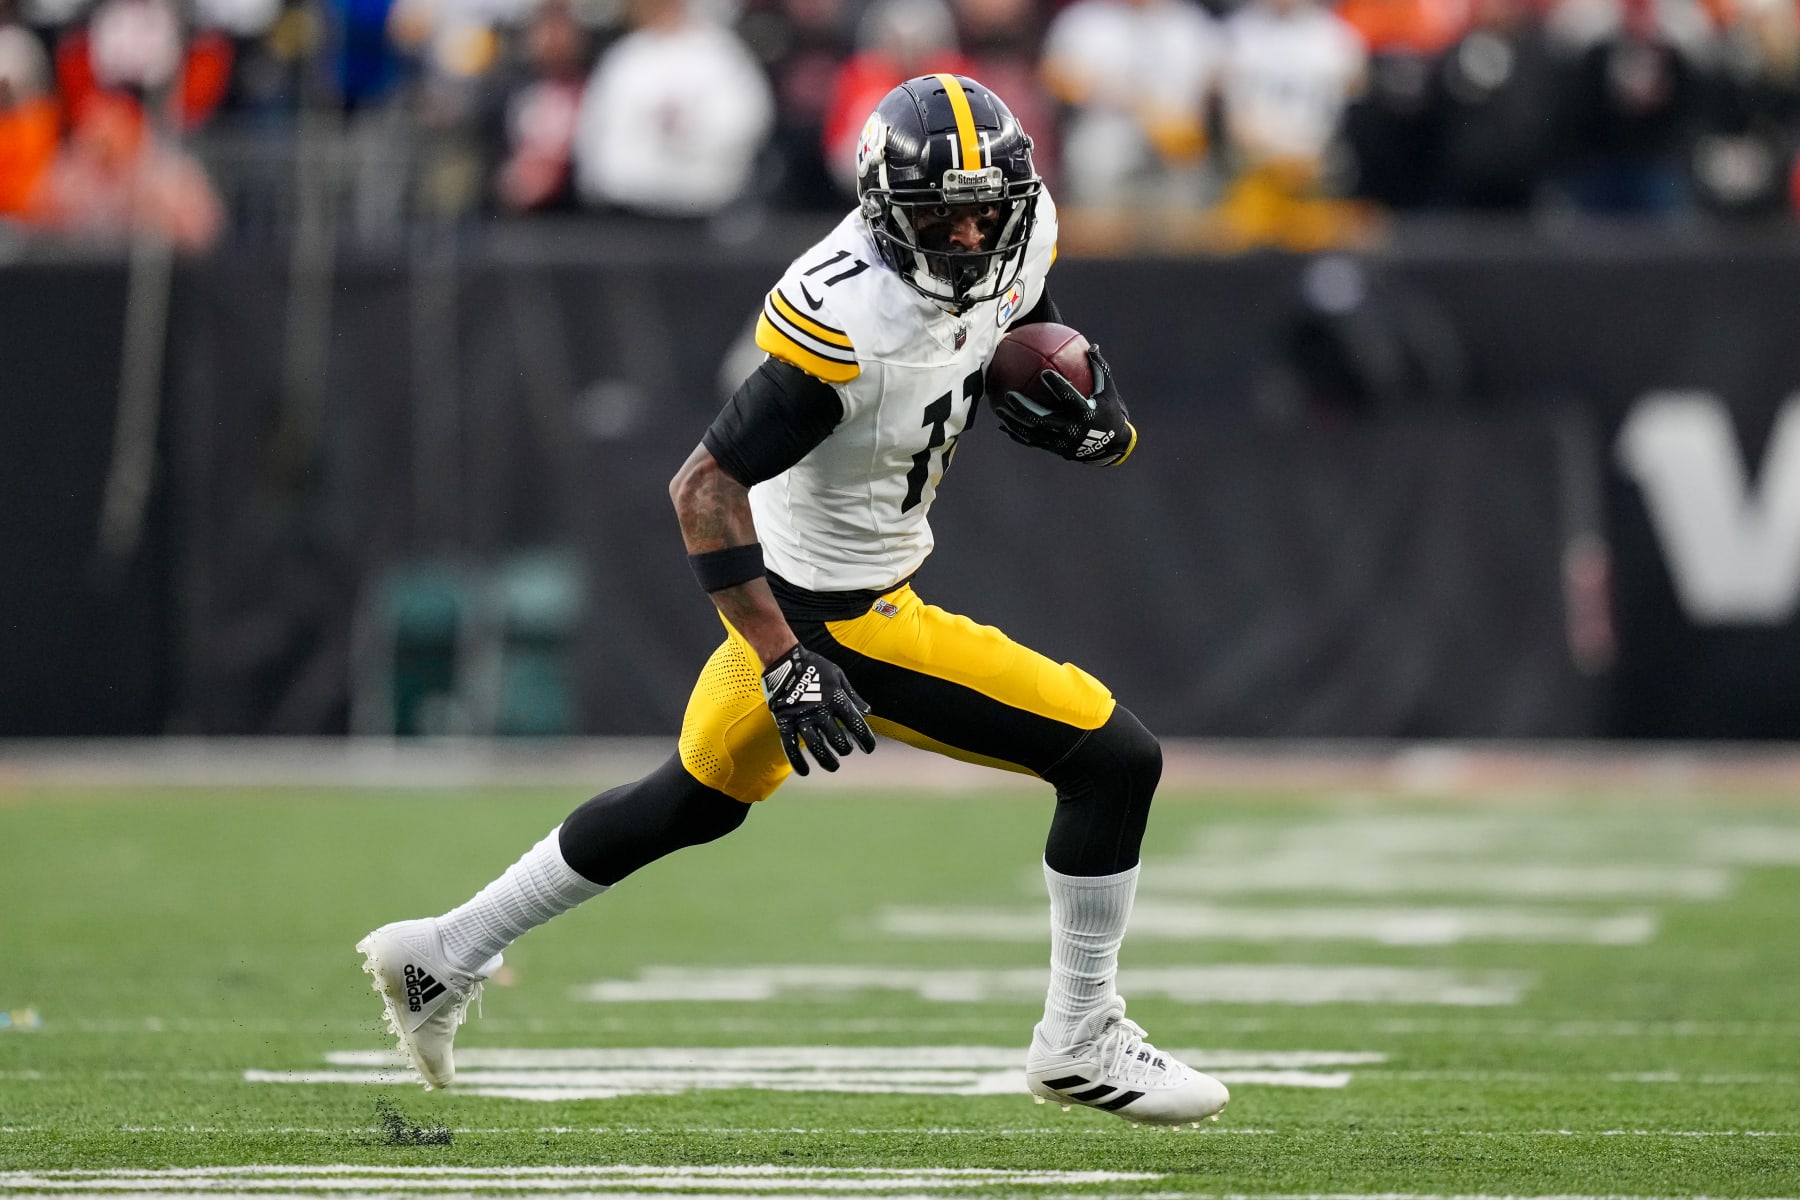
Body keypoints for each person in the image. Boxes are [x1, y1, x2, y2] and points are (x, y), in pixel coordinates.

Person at [356, 73, 1230, 1129]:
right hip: (830, 613)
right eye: (938, 217)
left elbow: (1019, 316)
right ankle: (1079, 1038)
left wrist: (1073, 398)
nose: (966, 234)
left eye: (982, 212)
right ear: (881, 213)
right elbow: (702, 489)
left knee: (694, 799)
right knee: (1111, 759)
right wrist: (784, 654)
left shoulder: (1024, 223)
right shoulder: (845, 323)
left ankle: (441, 953)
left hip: (835, 587)